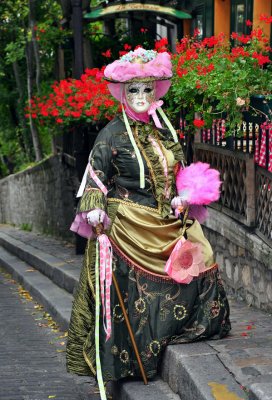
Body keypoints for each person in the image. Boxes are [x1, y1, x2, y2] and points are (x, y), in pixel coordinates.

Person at [66, 48, 231, 397]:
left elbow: (180, 169)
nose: (141, 97)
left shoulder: (163, 129)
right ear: (123, 94)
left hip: (166, 219)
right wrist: (94, 208)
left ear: (156, 91)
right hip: (126, 223)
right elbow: (94, 178)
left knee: (203, 253)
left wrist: (183, 193)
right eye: (133, 91)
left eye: (147, 90)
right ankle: (125, 362)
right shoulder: (112, 134)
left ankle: (164, 338)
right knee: (127, 290)